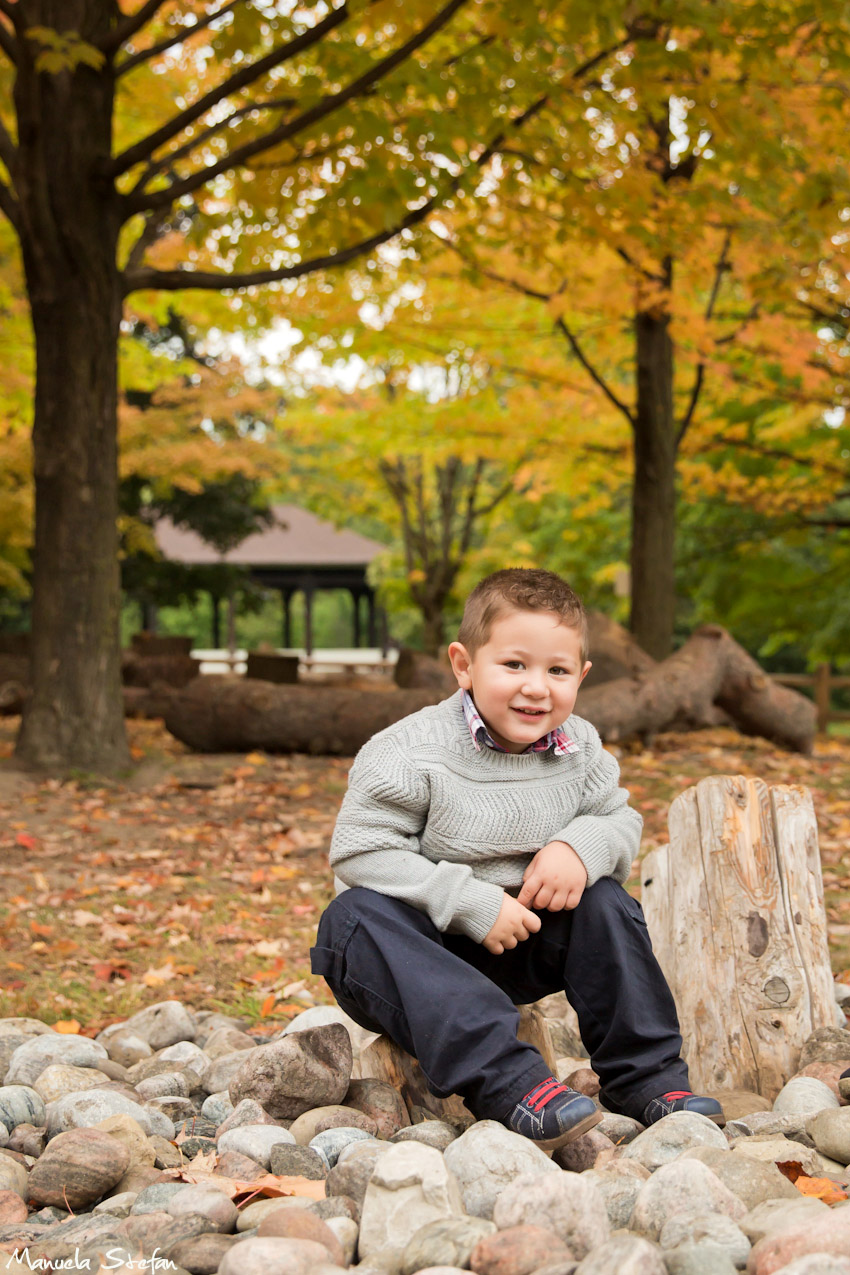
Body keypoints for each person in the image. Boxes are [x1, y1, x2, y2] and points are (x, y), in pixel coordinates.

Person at [311, 567, 723, 1148]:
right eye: (514, 665)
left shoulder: (580, 747)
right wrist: (468, 901)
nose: (536, 687)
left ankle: (646, 1079)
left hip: (518, 941)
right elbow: (361, 851)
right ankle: (514, 1084)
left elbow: (620, 820)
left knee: (604, 900)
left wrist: (577, 850)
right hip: (415, 960)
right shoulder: (407, 750)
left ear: (580, 676)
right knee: (350, 919)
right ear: (463, 665)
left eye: (557, 671)